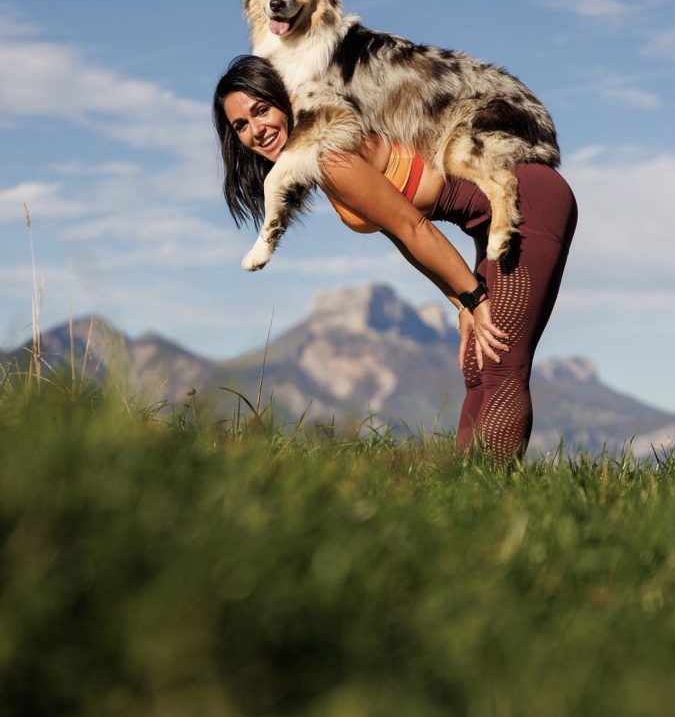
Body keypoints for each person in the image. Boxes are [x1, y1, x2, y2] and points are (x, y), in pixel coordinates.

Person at [212, 55, 577, 462]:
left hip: (527, 201)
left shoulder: (330, 156)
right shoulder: (323, 154)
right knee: (478, 368)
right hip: (495, 218)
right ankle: (469, 495)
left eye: (261, 110)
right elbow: (404, 235)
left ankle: (489, 505)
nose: (256, 130)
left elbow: (414, 228)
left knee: (501, 363)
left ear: (283, 100)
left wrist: (476, 297)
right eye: (240, 125)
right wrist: (462, 305)